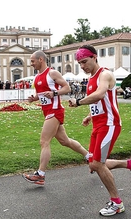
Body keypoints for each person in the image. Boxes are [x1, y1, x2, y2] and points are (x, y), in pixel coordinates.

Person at [68, 45, 131, 217]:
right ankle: (130, 164)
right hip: (98, 124)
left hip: (110, 125)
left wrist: (78, 102)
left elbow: (101, 94)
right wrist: (90, 116)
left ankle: (117, 202)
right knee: (93, 164)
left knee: (97, 164)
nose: (83, 66)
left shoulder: (105, 75)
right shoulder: (92, 78)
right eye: (80, 63)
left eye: (85, 61)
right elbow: (99, 103)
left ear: (94, 57)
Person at [22, 50, 89, 185]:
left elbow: (67, 88)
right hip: (47, 111)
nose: (31, 64)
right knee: (65, 141)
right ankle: (89, 156)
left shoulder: (52, 73)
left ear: (41, 60)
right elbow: (41, 94)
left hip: (55, 110)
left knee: (44, 141)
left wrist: (54, 93)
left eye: (33, 61)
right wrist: (34, 98)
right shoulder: (37, 77)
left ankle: (40, 174)